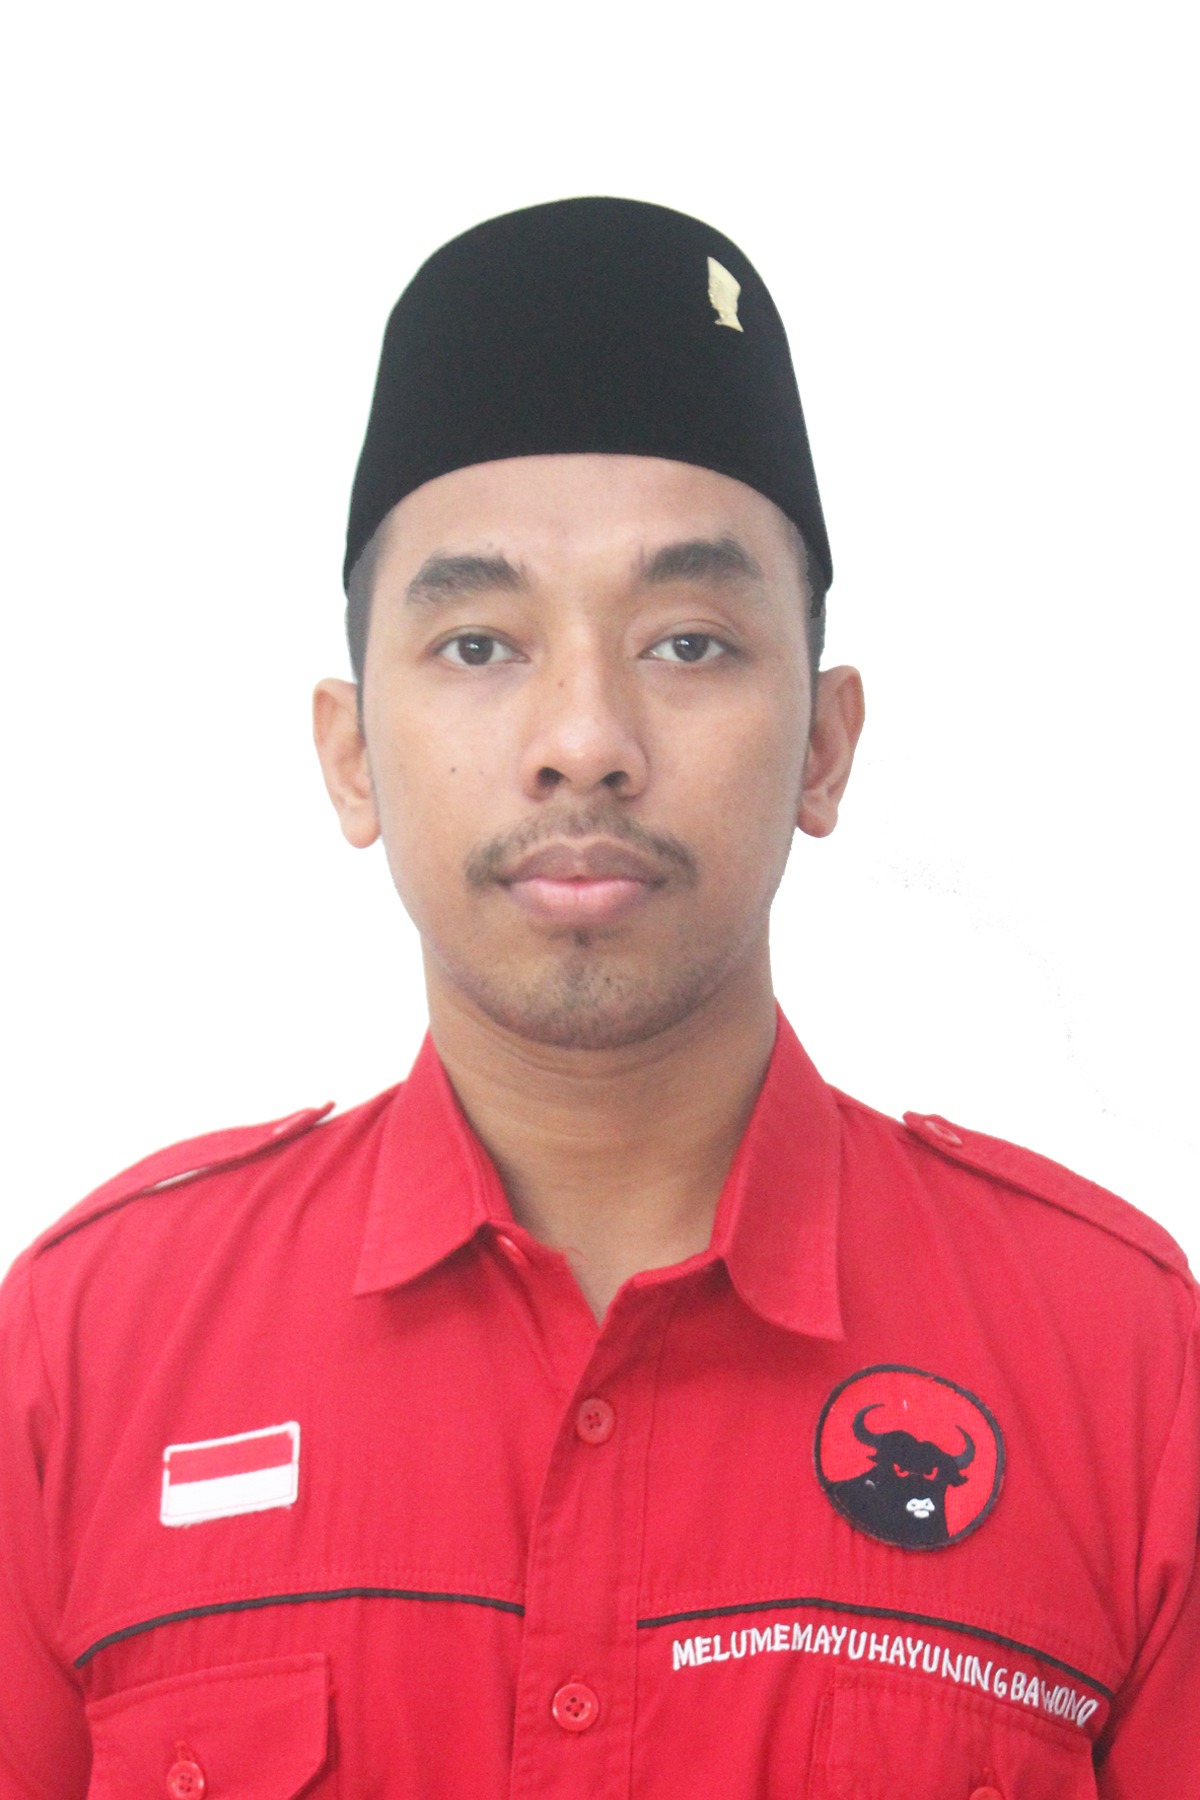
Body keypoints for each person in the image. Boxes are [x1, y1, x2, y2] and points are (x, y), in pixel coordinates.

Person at [0, 197, 1195, 1798]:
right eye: (478, 644)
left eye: (688, 642)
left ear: (825, 747)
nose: (585, 739)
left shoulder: (1122, 1363)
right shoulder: (89, 1351)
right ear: (351, 756)